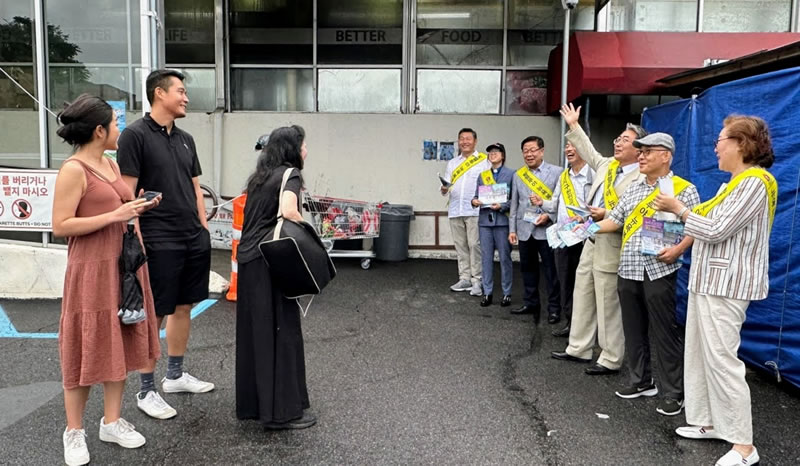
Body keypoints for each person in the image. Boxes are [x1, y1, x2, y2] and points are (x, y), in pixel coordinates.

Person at [653, 116, 777, 466]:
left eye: (720, 141)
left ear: (741, 143)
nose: (716, 148)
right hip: (709, 282)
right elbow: (708, 224)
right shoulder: (735, 183)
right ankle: (710, 421)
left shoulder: (754, 183)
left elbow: (717, 229)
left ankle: (744, 446)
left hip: (726, 285)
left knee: (722, 360)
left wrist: (678, 208)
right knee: (700, 354)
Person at [51, 94, 161, 466]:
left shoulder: (110, 164)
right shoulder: (74, 169)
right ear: (99, 131)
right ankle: (74, 431)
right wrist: (115, 215)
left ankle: (111, 422)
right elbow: (61, 225)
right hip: (91, 270)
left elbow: (119, 206)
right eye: (115, 124)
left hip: (125, 266)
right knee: (85, 348)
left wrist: (137, 205)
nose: (119, 129)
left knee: (121, 340)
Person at [117, 69, 214, 421]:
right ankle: (146, 389)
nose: (186, 98)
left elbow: (196, 188)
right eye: (181, 91)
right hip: (157, 237)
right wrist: (137, 239)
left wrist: (203, 229)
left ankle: (174, 375)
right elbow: (127, 193)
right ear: (159, 93)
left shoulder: (186, 139)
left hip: (192, 236)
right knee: (155, 311)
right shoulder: (135, 136)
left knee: (184, 305)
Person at [593, 132, 700, 417]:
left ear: (666, 156)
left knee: (664, 330)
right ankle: (641, 380)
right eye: (640, 152)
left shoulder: (684, 189)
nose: (641, 156)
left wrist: (678, 250)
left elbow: (694, 227)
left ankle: (673, 392)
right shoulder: (634, 188)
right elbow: (615, 220)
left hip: (660, 268)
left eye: (648, 152)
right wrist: (583, 228)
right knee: (633, 327)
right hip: (628, 266)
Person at [551, 103, 644, 375]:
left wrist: (607, 214)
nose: (617, 143)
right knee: (582, 292)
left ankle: (611, 357)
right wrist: (573, 125)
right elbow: (589, 150)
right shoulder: (607, 165)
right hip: (591, 238)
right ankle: (578, 347)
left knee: (607, 302)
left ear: (639, 148)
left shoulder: (641, 176)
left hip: (613, 243)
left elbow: (637, 212)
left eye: (625, 140)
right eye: (617, 138)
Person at [235, 125, 316, 430]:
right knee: (282, 332)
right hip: (271, 260)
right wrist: (311, 237)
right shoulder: (290, 174)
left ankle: (256, 406)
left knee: (257, 335)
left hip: (249, 259)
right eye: (303, 145)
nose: (306, 150)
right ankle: (281, 413)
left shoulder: (260, 177)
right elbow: (289, 211)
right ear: (292, 148)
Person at [533, 141, 594, 336]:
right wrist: (542, 203)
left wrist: (584, 219)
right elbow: (555, 204)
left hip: (584, 237)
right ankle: (571, 323)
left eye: (573, 145)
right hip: (563, 237)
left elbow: (599, 207)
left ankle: (585, 328)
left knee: (584, 285)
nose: (568, 149)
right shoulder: (564, 176)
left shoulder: (594, 175)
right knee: (565, 282)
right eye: (566, 146)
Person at [508, 136, 561, 323]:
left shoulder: (557, 172)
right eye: (525, 151)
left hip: (546, 230)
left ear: (542, 151)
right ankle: (531, 303)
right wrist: (512, 230)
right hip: (525, 230)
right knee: (527, 270)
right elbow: (515, 205)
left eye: (532, 150)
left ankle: (554, 308)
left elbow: (560, 203)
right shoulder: (518, 175)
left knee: (551, 272)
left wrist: (549, 217)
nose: (529, 154)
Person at [441, 128, 491, 297]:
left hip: (475, 211)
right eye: (461, 139)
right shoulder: (453, 163)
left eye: (468, 138)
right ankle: (464, 278)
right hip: (455, 209)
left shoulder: (484, 161)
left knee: (475, 245)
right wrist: (444, 188)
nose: (464, 142)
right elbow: (446, 186)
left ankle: (477, 280)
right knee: (460, 246)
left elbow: (489, 184)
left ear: (475, 141)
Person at [471, 143, 514, 307]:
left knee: (505, 258)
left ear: (503, 155)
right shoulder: (482, 175)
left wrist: (502, 206)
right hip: (485, 222)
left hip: (502, 222)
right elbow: (476, 196)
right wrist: (474, 201)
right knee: (486, 258)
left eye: (496, 151)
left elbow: (514, 200)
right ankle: (487, 292)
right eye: (490, 152)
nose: (492, 154)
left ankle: (507, 293)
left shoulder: (512, 174)